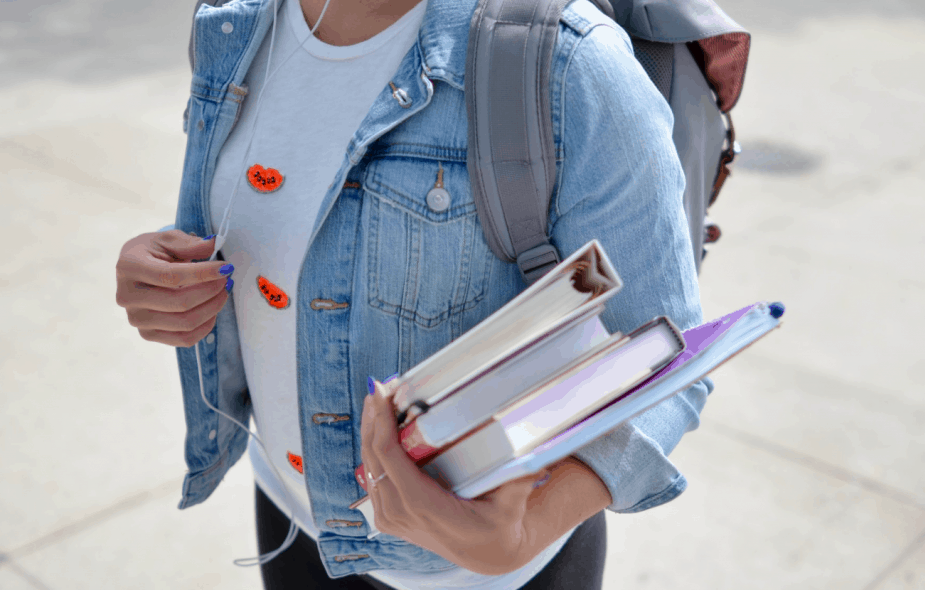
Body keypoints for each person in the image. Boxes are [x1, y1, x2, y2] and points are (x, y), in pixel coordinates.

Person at [114, 0, 712, 587]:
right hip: (289, 516)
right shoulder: (233, 22)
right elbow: (255, 230)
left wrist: (526, 531)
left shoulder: (570, 65)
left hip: (482, 577)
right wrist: (163, 279)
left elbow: (662, 356)